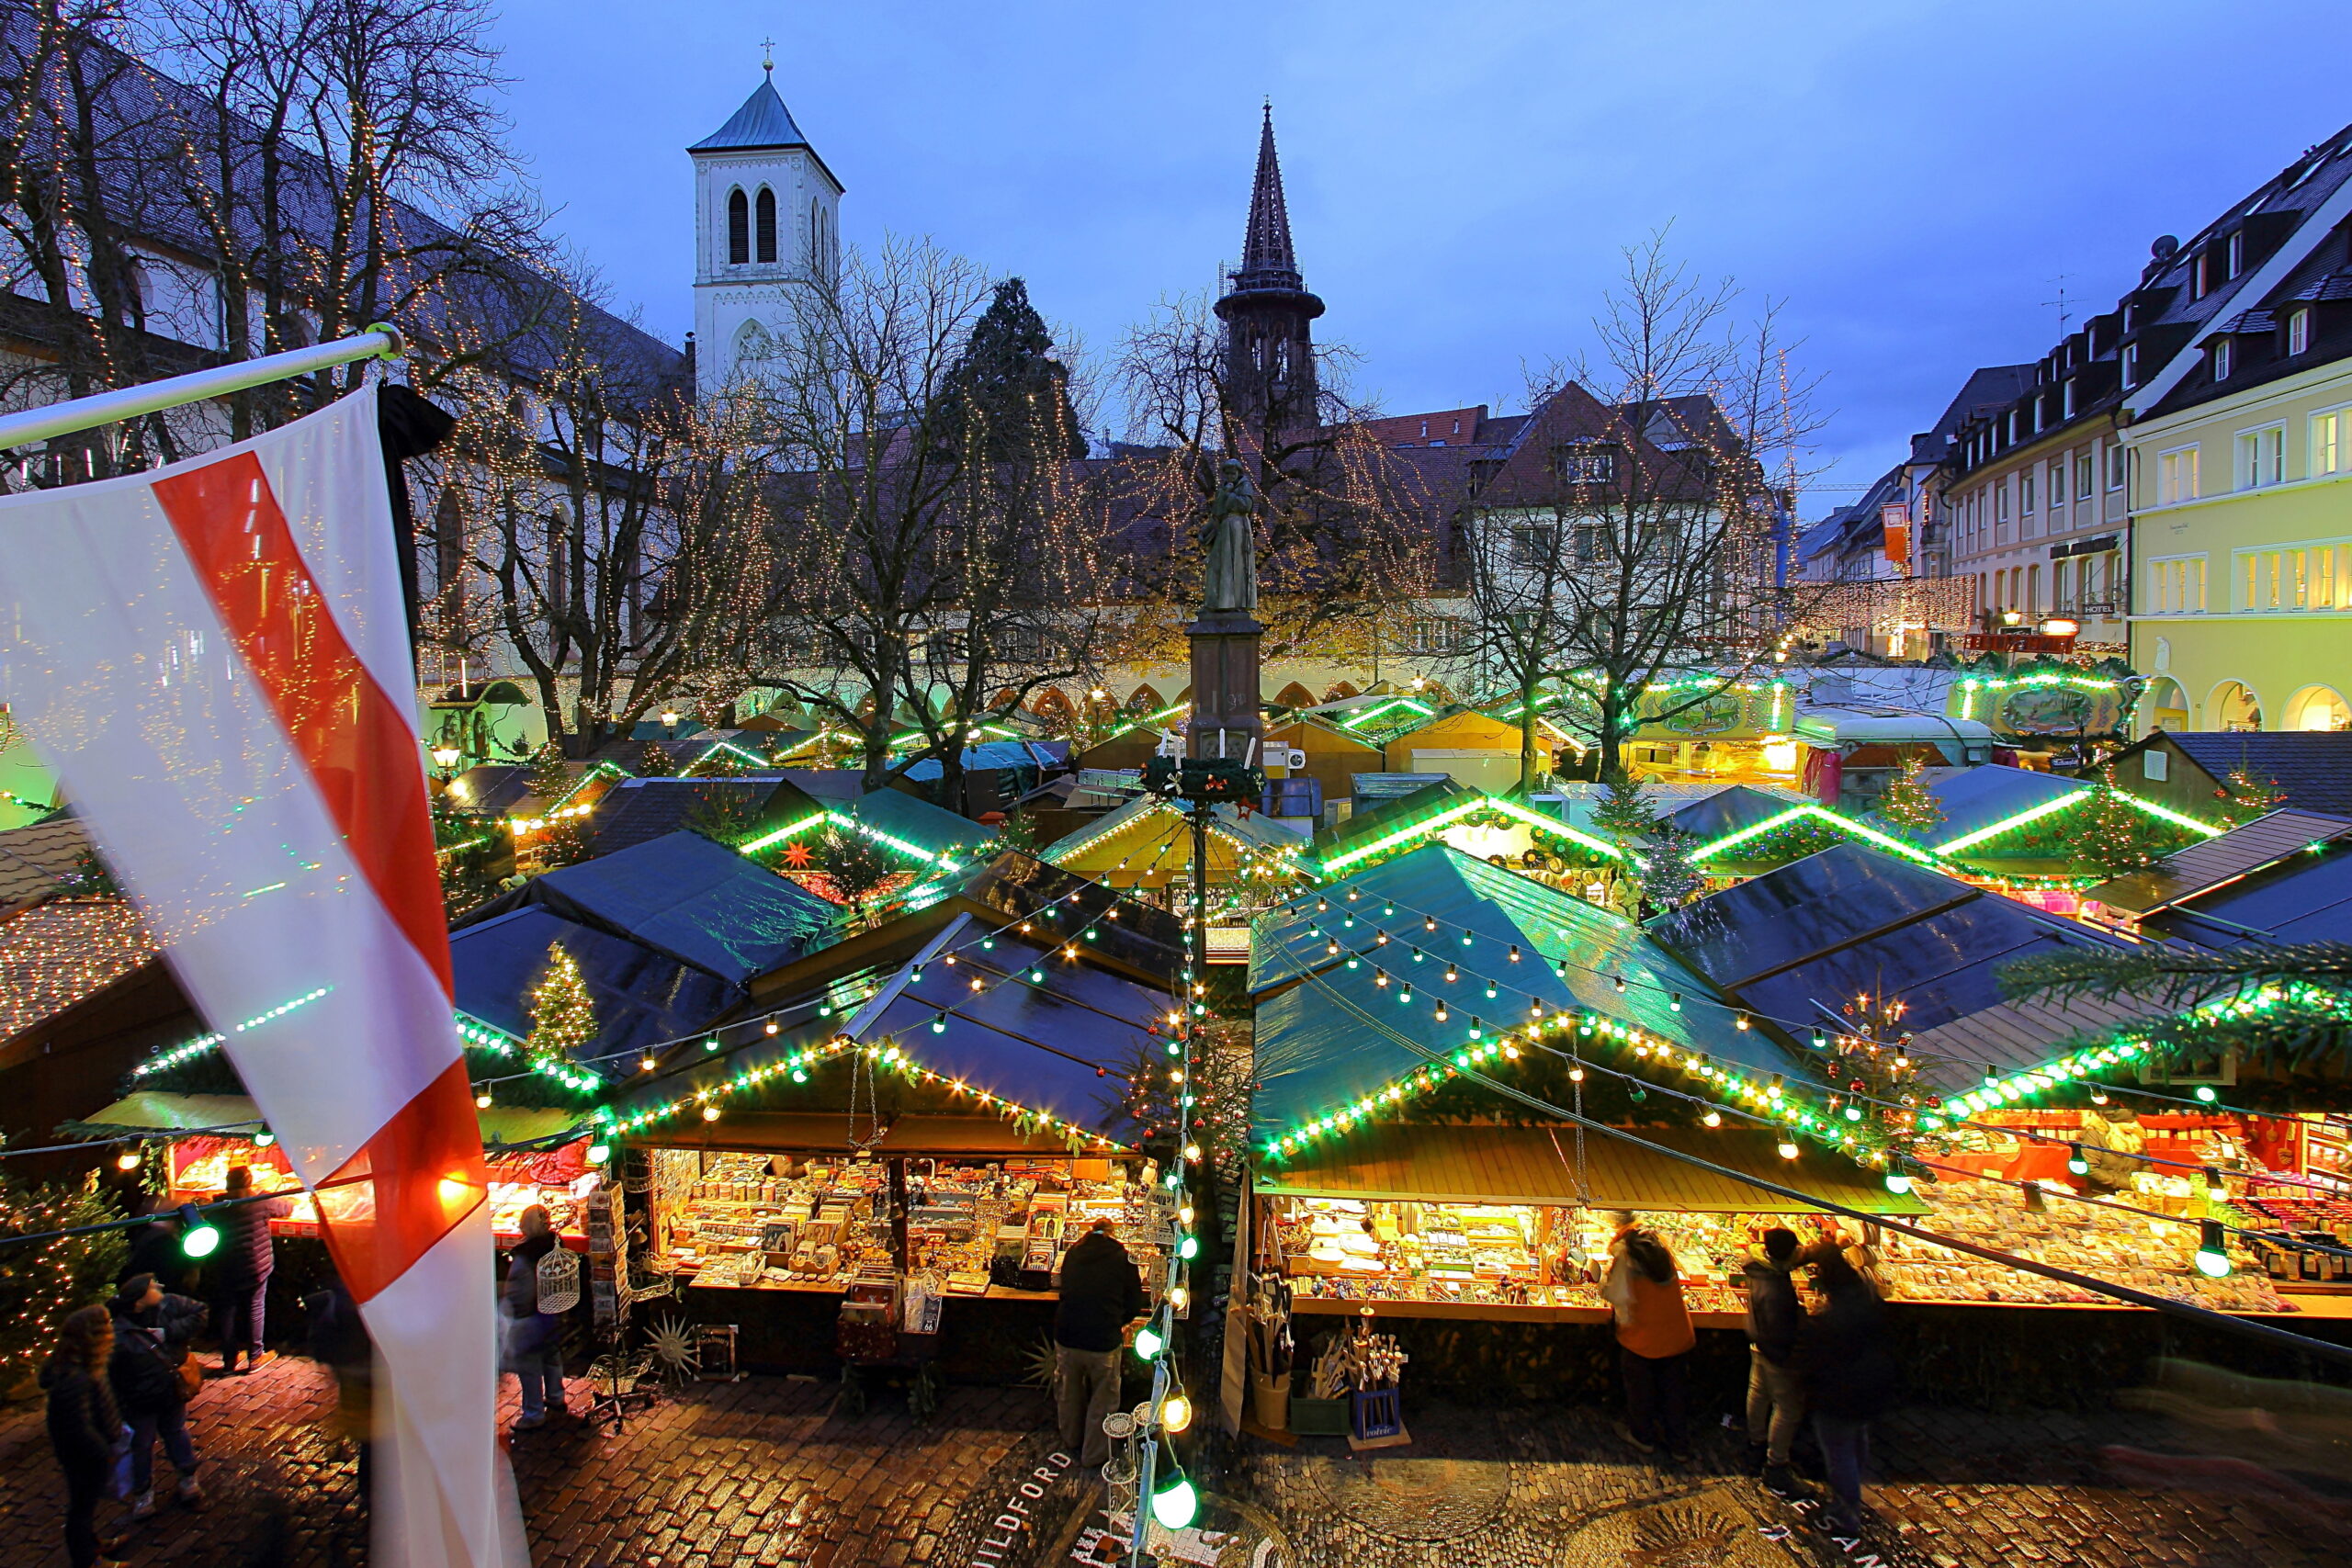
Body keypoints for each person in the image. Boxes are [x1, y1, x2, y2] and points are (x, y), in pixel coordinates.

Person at [1795, 1246, 1899, 1537]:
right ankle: (1851, 1493)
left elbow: (1821, 1358)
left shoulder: (1834, 1321)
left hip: (1841, 1394)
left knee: (1838, 1453)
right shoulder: (1868, 1302)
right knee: (1856, 1441)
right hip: (1871, 1385)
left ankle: (1846, 1514)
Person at [108, 1272, 209, 1520]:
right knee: (141, 1445)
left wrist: (169, 1332)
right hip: (140, 1399)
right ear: (140, 1300)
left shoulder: (169, 1304)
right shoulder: (118, 1331)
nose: (160, 1287)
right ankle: (144, 1494)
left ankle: (188, 1481)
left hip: (170, 1390)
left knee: (175, 1432)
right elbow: (111, 1372)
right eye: (153, 1287)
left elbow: (200, 1312)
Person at [1053, 1218, 1145, 1470]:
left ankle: (1071, 1439)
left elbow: (1064, 1290)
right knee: (1103, 1399)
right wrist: (1117, 1321)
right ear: (1112, 1234)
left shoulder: (1073, 1253)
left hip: (1069, 1335)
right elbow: (1134, 1301)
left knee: (1068, 1391)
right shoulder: (1123, 1258)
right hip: (1103, 1339)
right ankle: (1094, 1454)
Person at [1601, 1212, 1695, 1461]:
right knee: (1674, 1393)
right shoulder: (1662, 1253)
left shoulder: (1626, 1258)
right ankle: (1679, 1446)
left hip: (1642, 1337)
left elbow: (1616, 1295)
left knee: (1640, 1391)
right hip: (1676, 1333)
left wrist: (1602, 1282)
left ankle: (1643, 1438)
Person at [43, 1304, 126, 1568]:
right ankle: (88, 1560)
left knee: (84, 1505)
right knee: (81, 1508)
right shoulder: (74, 1378)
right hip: (85, 1456)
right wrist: (104, 1454)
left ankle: (92, 1545)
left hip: (87, 1451)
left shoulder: (82, 1366)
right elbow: (79, 1426)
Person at [1741, 1227, 1805, 1493]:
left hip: (1758, 1340)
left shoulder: (1758, 1269)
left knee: (1758, 1392)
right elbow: (1780, 1325)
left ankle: (1756, 1442)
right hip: (1775, 1350)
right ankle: (1776, 1465)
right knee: (1788, 1408)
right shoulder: (1776, 1287)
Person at [212, 1164, 288, 1374]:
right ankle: (255, 1356)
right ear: (249, 1182)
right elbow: (286, 1208)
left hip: (226, 1264)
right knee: (255, 1306)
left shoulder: (218, 1205)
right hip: (256, 1264)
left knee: (227, 1310)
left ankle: (229, 1359)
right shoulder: (259, 1202)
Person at [502, 1204, 571, 1429]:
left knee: (529, 1367)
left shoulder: (524, 1258)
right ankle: (556, 1397)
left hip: (530, 1318)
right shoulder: (554, 1247)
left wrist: (514, 1315)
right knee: (551, 1357)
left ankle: (533, 1414)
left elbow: (520, 1292)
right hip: (552, 1314)